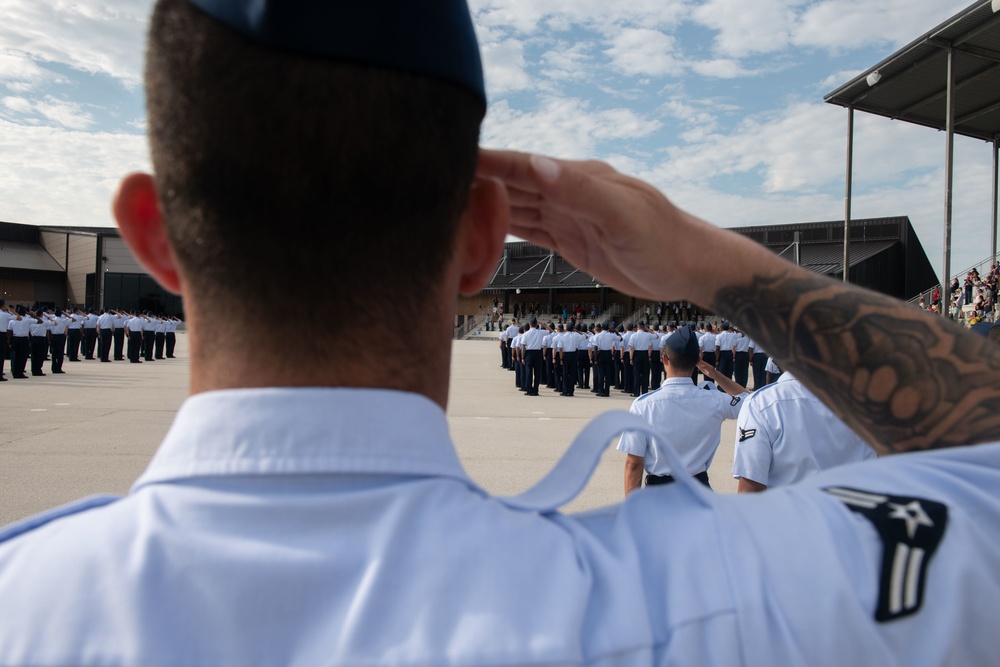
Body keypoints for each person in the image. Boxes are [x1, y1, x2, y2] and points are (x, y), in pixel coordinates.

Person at [3, 1, 1000, 665]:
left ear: (153, 235)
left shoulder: (26, 608)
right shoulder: (703, 604)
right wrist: (708, 260)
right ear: (483, 239)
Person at [617, 326, 748, 491]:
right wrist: (714, 374)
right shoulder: (715, 400)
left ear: (665, 359)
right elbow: (749, 401)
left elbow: (634, 463)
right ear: (697, 361)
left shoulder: (644, 405)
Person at [732, 372, 878, 492]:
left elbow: (750, 489)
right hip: (852, 520)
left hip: (790, 521)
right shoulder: (868, 405)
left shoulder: (762, 403)